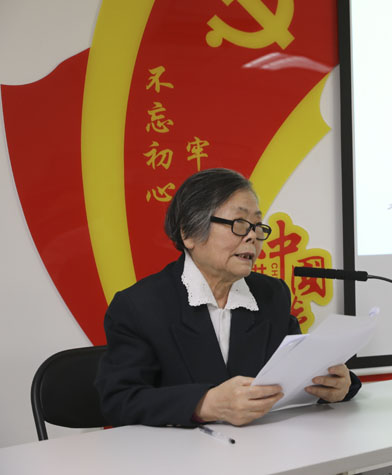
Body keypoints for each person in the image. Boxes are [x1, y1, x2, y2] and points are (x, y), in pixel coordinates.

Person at [95, 168, 361, 427]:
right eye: (240, 224)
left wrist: (339, 385)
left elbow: (297, 371)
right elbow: (118, 400)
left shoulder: (271, 295)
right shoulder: (139, 306)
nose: (253, 236)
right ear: (189, 233)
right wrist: (204, 404)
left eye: (257, 226)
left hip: (264, 448)